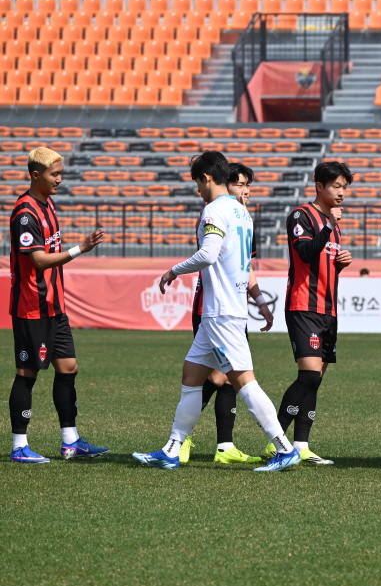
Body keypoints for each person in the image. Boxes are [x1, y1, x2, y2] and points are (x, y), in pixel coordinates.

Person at [132, 151, 299, 472]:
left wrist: (174, 270)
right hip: (223, 310)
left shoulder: (214, 210)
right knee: (191, 375)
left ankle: (284, 448)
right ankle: (172, 449)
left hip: (221, 311)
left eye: (197, 182)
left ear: (206, 178)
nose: (197, 189)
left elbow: (208, 254)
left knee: (244, 382)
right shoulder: (241, 212)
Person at [8, 147, 108, 463]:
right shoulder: (26, 213)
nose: (60, 179)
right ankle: (19, 446)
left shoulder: (48, 205)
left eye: (61, 173)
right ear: (35, 175)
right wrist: (81, 248)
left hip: (54, 306)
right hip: (32, 307)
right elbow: (38, 260)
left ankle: (70, 441)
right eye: (54, 174)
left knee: (68, 368)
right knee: (27, 373)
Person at [179, 162, 273, 465]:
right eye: (240, 184)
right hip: (212, 307)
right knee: (218, 377)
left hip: (230, 308)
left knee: (224, 378)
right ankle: (182, 440)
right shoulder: (220, 213)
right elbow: (210, 256)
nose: (245, 191)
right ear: (225, 184)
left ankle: (221, 445)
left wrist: (259, 300)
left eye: (248, 185)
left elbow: (245, 267)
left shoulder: (240, 216)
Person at [270, 161, 353, 465]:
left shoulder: (333, 223)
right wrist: (328, 226)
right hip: (303, 306)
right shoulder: (301, 215)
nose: (341, 192)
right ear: (319, 186)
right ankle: (276, 441)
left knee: (316, 379)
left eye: (345, 187)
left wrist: (339, 264)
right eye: (336, 186)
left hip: (328, 309)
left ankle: (301, 445)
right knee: (308, 375)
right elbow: (305, 253)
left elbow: (321, 263)